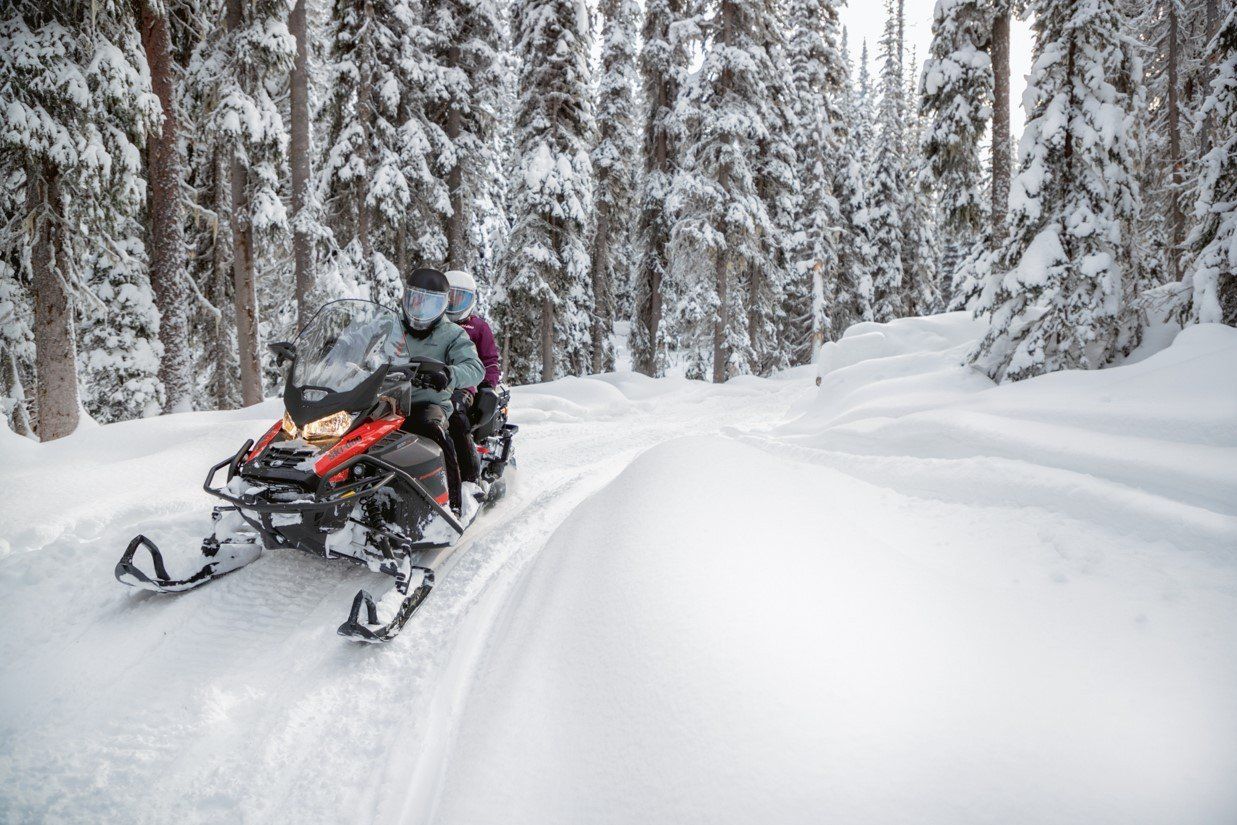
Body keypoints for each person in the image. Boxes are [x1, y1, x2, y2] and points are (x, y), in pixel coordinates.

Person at [399, 267, 484, 514]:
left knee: (433, 430)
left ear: (442, 305)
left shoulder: (452, 333)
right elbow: (363, 340)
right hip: (386, 402)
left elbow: (474, 367)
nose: (420, 307)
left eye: (430, 303)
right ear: (406, 297)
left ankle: (453, 505)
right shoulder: (392, 325)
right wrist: (336, 345)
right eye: (415, 298)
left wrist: (448, 374)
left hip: (426, 403)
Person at [443, 269, 501, 483]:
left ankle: (469, 479)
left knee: (455, 414)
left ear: (471, 299)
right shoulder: (431, 323)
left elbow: (489, 360)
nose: (454, 302)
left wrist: (487, 385)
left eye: (460, 297)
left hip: (465, 387)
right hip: (429, 382)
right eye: (450, 297)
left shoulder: (477, 327)